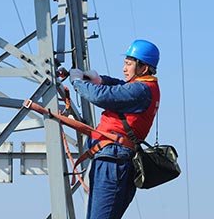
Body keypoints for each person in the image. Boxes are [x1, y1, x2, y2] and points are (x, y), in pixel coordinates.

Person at [69, 39, 161, 219]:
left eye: (128, 64)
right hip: (113, 157)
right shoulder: (145, 87)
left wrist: (78, 82)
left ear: (143, 68)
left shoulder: (141, 90)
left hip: (114, 160)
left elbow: (101, 96)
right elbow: (119, 86)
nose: (124, 68)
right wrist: (100, 79)